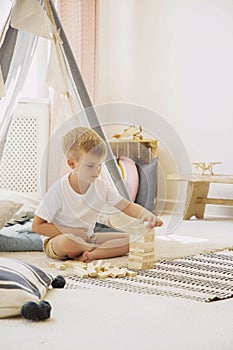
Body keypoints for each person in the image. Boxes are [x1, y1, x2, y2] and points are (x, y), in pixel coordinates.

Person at [32, 127, 163, 263]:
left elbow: (127, 206)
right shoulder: (59, 190)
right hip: (58, 239)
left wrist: (147, 214)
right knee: (69, 242)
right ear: (71, 164)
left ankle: (91, 255)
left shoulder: (101, 187)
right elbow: (37, 226)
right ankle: (94, 249)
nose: (97, 171)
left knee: (131, 241)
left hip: (88, 237)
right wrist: (71, 232)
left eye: (100, 165)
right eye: (90, 166)